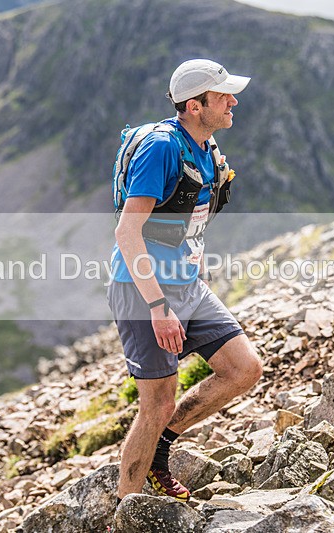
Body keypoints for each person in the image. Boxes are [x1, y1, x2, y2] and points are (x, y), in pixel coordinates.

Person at [107, 59, 263, 504]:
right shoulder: (161, 148)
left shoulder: (207, 146)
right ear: (194, 106)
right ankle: (127, 511)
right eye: (223, 96)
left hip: (189, 285)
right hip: (144, 292)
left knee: (244, 369)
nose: (234, 101)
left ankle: (160, 447)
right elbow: (126, 232)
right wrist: (158, 308)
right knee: (156, 405)